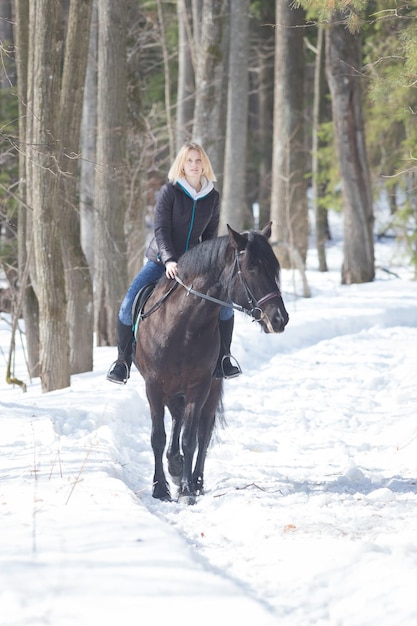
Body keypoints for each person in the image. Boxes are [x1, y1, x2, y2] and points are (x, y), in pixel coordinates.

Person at [107, 141, 241, 384]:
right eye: (189, 160)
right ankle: (122, 361)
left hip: (194, 264)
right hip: (161, 260)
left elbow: (210, 236)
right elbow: (161, 228)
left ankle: (223, 358)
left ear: (204, 165)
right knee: (128, 304)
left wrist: (209, 265)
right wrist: (169, 260)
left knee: (225, 304)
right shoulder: (170, 191)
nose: (194, 165)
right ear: (181, 164)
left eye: (198, 160)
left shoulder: (212, 197)